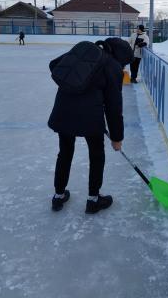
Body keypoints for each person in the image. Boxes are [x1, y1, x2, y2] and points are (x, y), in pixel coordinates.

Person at [48, 38, 134, 214]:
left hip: (63, 110)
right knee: (96, 155)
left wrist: (76, 82)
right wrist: (117, 137)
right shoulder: (112, 67)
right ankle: (93, 200)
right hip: (90, 117)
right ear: (120, 57)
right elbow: (113, 107)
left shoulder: (86, 52)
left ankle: (58, 196)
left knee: (65, 152)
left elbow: (55, 65)